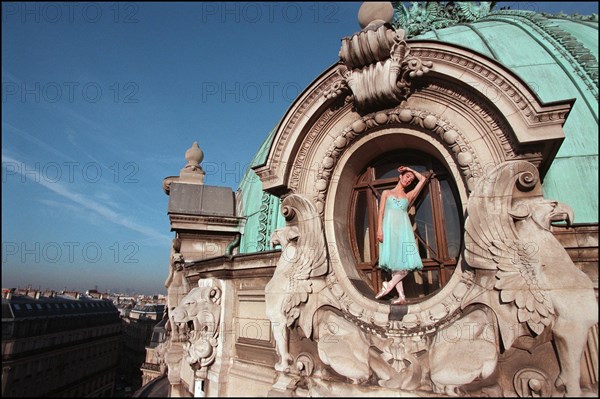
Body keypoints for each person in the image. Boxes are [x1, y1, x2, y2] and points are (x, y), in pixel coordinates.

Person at [375, 165, 426, 304]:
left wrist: (410, 169)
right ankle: (401, 296)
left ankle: (389, 285)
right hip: (389, 231)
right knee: (395, 265)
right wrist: (379, 229)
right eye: (407, 176)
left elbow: (423, 179)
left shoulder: (408, 196)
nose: (409, 180)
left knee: (406, 263)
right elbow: (381, 213)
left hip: (404, 232)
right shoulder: (386, 193)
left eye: (411, 179)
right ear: (400, 176)